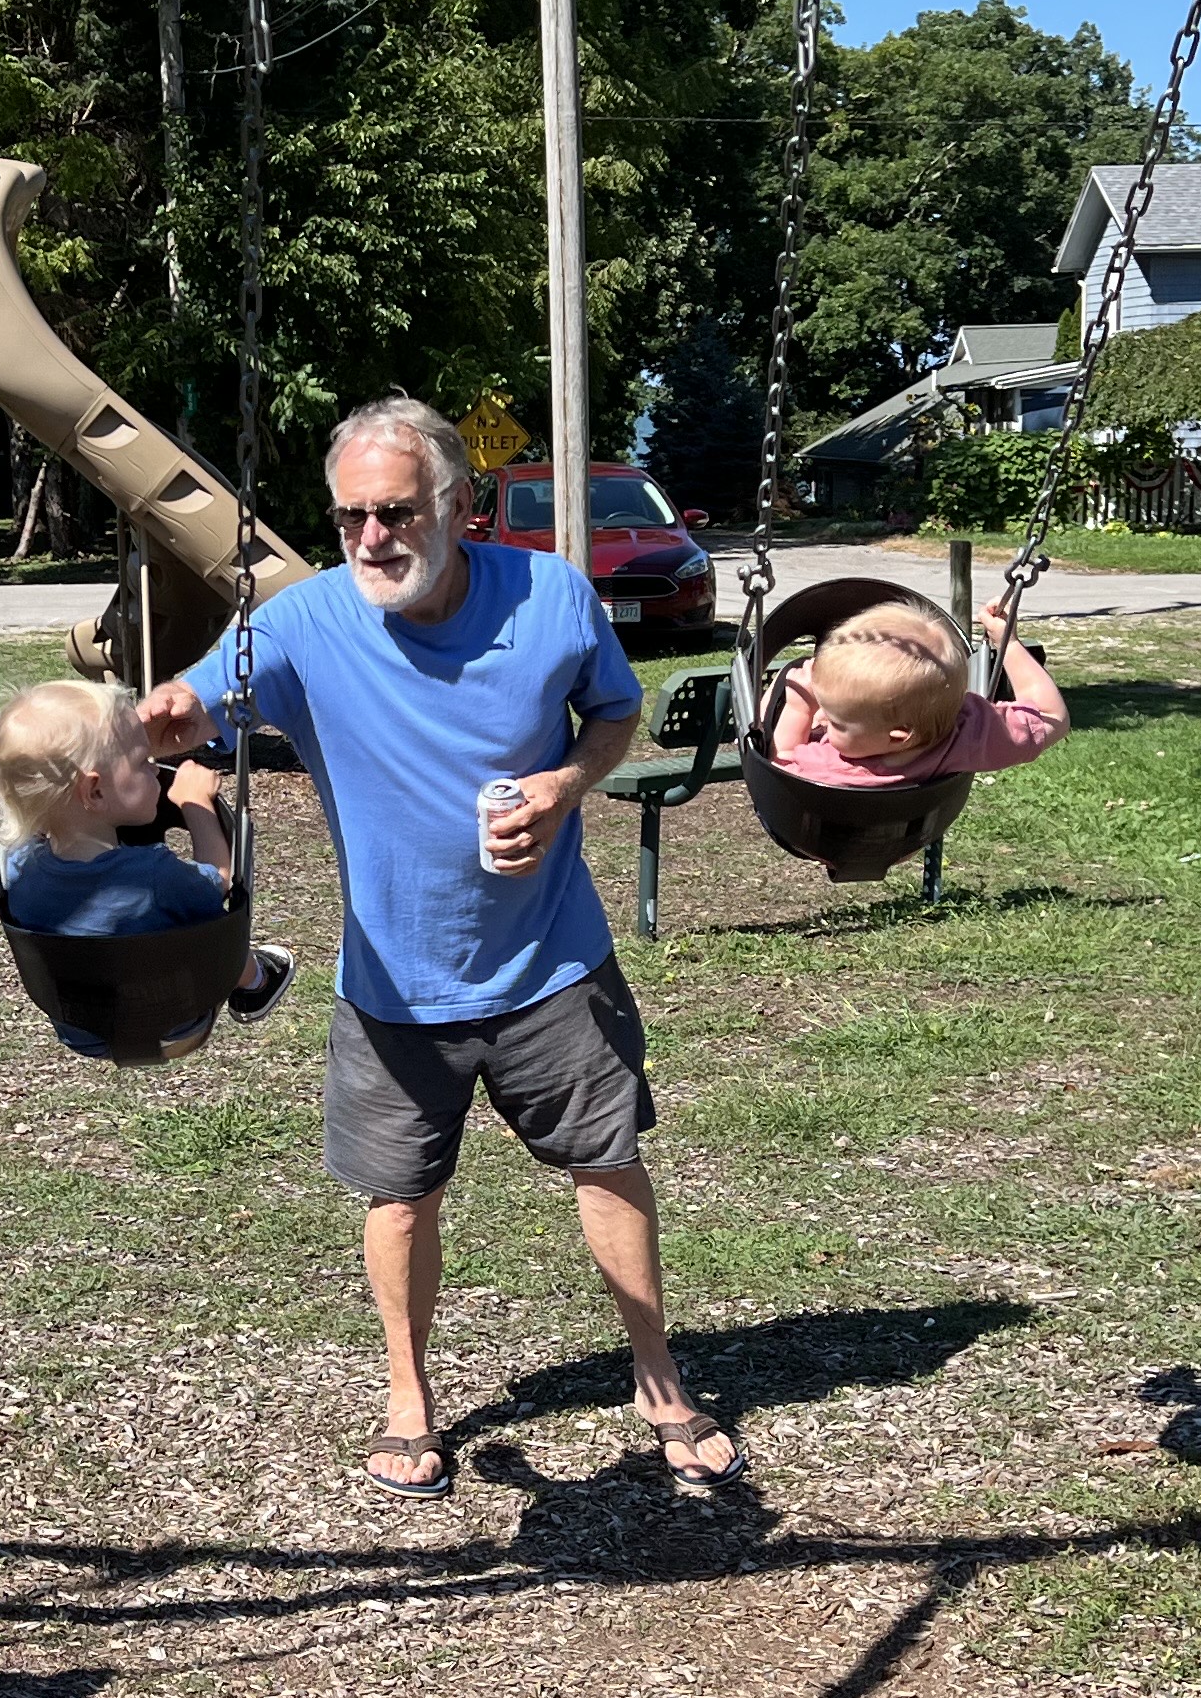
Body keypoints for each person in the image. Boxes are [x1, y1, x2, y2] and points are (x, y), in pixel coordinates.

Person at [136, 393, 739, 1500]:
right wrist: (169, 718)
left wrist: (565, 784)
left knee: (608, 1162)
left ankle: (658, 1372)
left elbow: (615, 712)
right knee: (400, 1196)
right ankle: (408, 1398)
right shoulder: (301, 623)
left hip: (553, 961)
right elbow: (191, 705)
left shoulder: (549, 595)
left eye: (399, 512)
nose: (374, 538)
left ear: (459, 505)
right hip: (391, 978)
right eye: (352, 516)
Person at [0, 675, 295, 1058]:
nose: (154, 769)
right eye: (142, 762)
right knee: (204, 924)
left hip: (82, 1027)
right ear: (95, 791)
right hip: (173, 1021)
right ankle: (256, 980)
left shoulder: (20, 871)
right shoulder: (151, 878)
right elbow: (221, 879)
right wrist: (194, 803)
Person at [762, 593, 1071, 791]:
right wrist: (1010, 643)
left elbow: (780, 768)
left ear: (898, 735)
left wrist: (799, 710)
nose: (824, 719)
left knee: (784, 685)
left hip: (829, 835)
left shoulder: (834, 769)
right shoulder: (967, 735)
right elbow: (1052, 717)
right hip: (912, 831)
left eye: (837, 721)